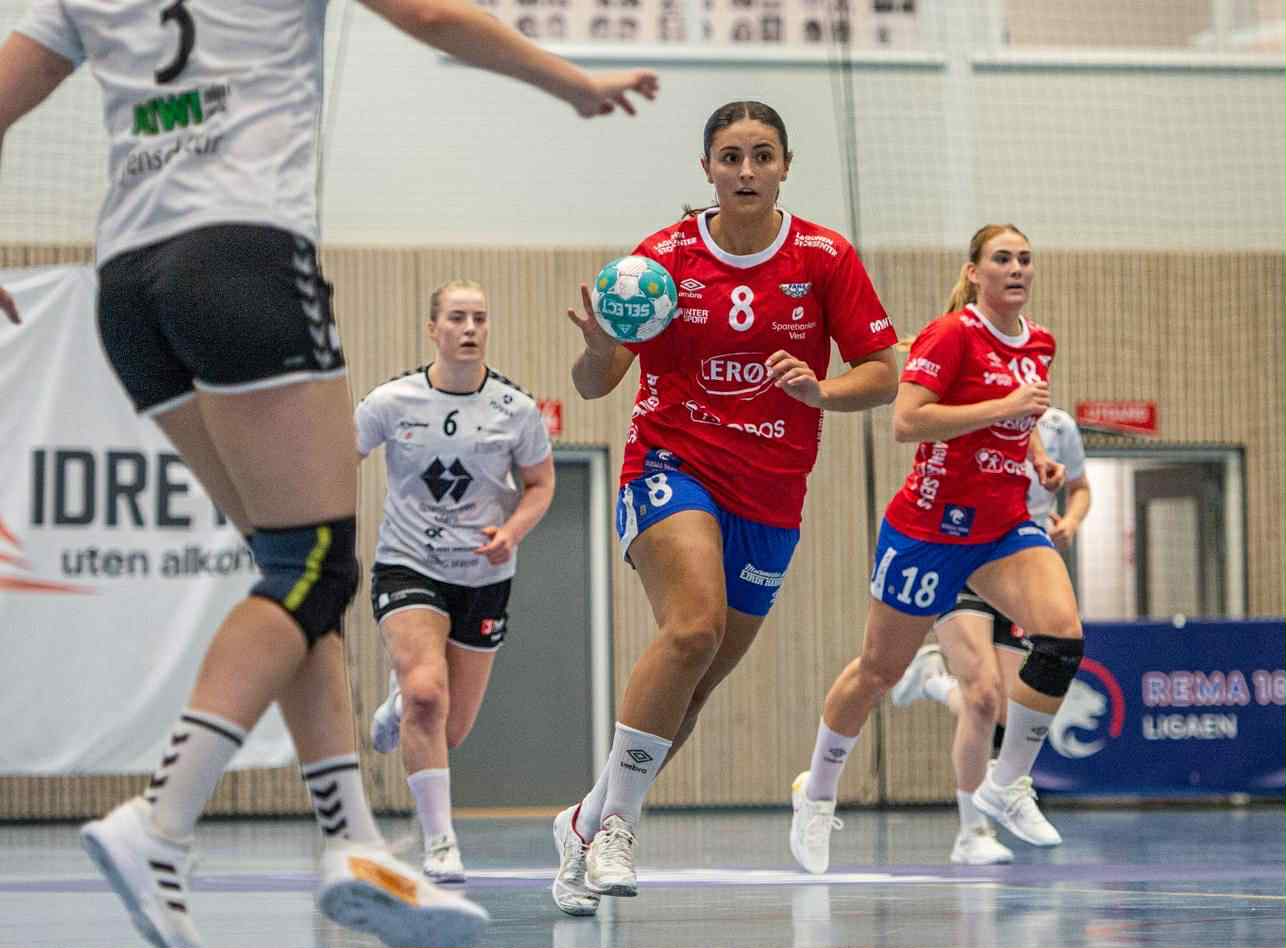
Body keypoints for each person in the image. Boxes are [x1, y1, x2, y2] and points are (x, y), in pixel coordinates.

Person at [0, 1, 656, 944]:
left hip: (127, 286)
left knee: (293, 571)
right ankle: (162, 817)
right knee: (313, 565)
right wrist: (571, 82)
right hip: (242, 260)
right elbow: (431, 13)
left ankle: (352, 841)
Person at [551, 100, 900, 915]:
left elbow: (884, 370)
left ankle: (585, 820)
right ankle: (618, 829)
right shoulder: (662, 260)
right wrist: (599, 350)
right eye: (731, 157)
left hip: (772, 491)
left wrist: (822, 390)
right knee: (692, 628)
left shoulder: (824, 257)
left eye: (762, 155)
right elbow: (594, 385)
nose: (746, 171)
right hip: (674, 465)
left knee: (697, 683)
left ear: (786, 167)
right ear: (706, 168)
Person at [789, 224, 1085, 875]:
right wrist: (1003, 405)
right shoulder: (950, 335)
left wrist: (1036, 455)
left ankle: (1006, 785)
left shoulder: (1039, 342)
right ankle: (817, 792)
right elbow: (908, 421)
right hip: (929, 529)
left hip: (1003, 526)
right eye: (1002, 258)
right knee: (877, 671)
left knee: (1062, 638)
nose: (1016, 268)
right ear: (974, 272)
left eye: (1025, 258)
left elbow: (1021, 416)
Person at [357, 280, 555, 882]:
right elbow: (337, 458)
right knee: (427, 693)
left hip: (483, 575)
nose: (470, 329)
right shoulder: (391, 401)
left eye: (479, 318)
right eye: (457, 318)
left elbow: (541, 485)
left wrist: (512, 531)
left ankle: (400, 703)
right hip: (408, 562)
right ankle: (440, 842)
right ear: (433, 329)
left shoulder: (516, 409)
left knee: (452, 727)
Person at [888, 399, 1091, 865]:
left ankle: (933, 681)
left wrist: (1072, 521)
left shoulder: (1058, 426)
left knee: (1003, 709)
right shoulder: (972, 412)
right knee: (980, 697)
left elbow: (1080, 488)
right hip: (963, 553)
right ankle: (971, 832)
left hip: (1020, 561)